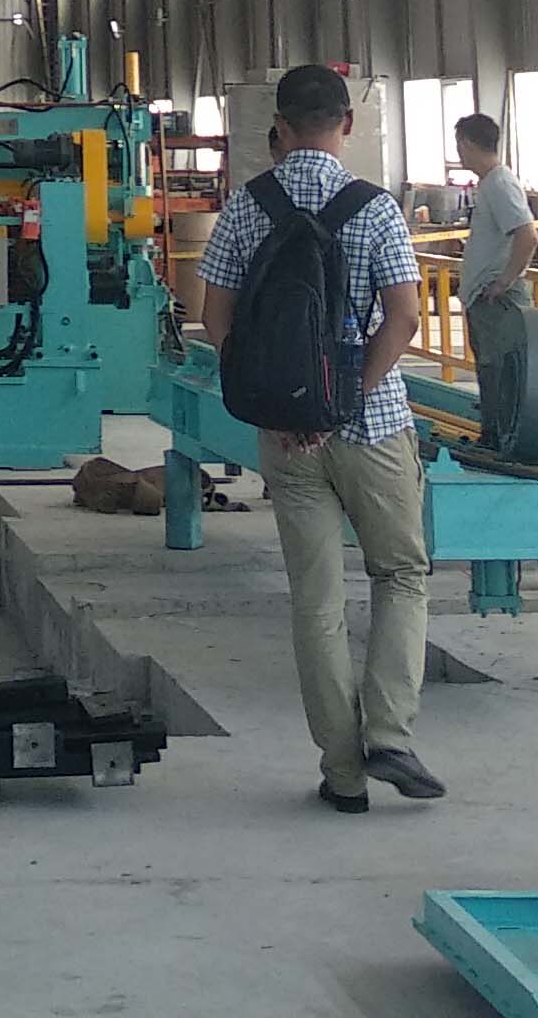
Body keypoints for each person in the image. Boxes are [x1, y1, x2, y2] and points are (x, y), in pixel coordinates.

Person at [196, 62, 441, 811]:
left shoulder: (245, 207)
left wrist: (283, 406)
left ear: (278, 126)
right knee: (400, 574)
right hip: (373, 425)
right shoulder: (375, 208)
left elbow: (215, 319)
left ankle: (342, 775)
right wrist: (344, 400)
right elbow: (404, 317)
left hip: (283, 436)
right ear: (348, 124)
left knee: (316, 600)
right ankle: (389, 734)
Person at [452, 110, 538, 338]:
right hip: (486, 295)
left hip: (497, 299)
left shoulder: (499, 183)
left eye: (458, 145)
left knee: (500, 358)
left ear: (466, 144)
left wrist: (503, 283)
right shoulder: (490, 182)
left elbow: (528, 235)